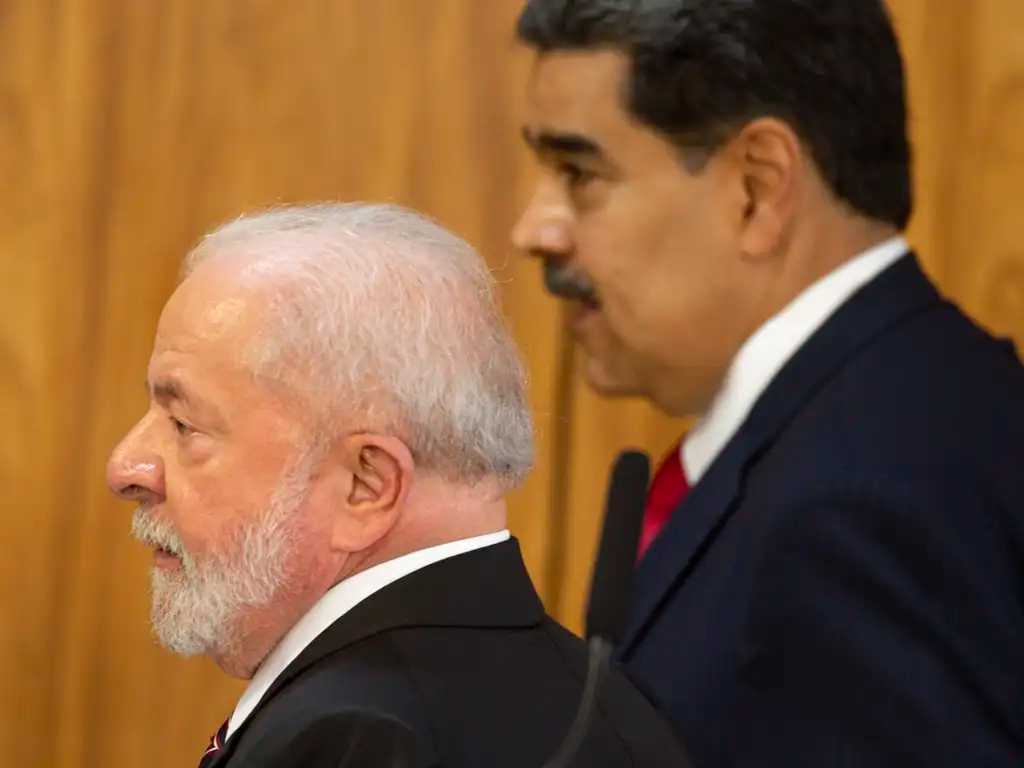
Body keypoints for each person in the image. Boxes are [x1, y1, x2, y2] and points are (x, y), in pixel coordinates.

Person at [511, 1, 1024, 766]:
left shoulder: (861, 501)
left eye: (579, 173)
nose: (533, 230)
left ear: (757, 186)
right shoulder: (908, 409)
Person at [105, 203, 690, 768]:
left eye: (184, 425)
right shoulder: (613, 711)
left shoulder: (356, 740)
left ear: (366, 485)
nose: (126, 467)